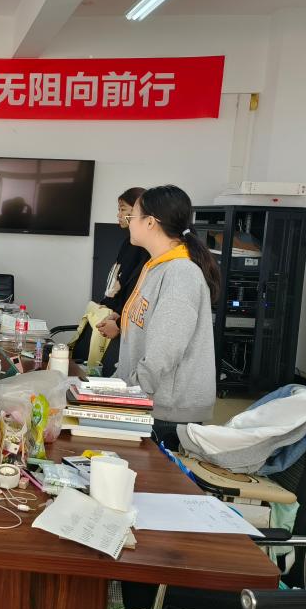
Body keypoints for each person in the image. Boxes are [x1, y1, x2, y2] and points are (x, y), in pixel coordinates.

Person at [115, 184, 220, 448]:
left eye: (132, 216)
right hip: (147, 400)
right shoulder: (156, 266)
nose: (128, 223)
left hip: (167, 412)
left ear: (150, 222)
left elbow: (165, 350)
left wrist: (131, 395)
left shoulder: (181, 273)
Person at [90, 187, 150, 372]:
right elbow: (122, 281)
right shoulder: (129, 242)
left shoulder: (145, 249)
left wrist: (118, 321)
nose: (119, 215)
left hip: (127, 326)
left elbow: (136, 291)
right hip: (119, 317)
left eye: (123, 210)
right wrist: (115, 313)